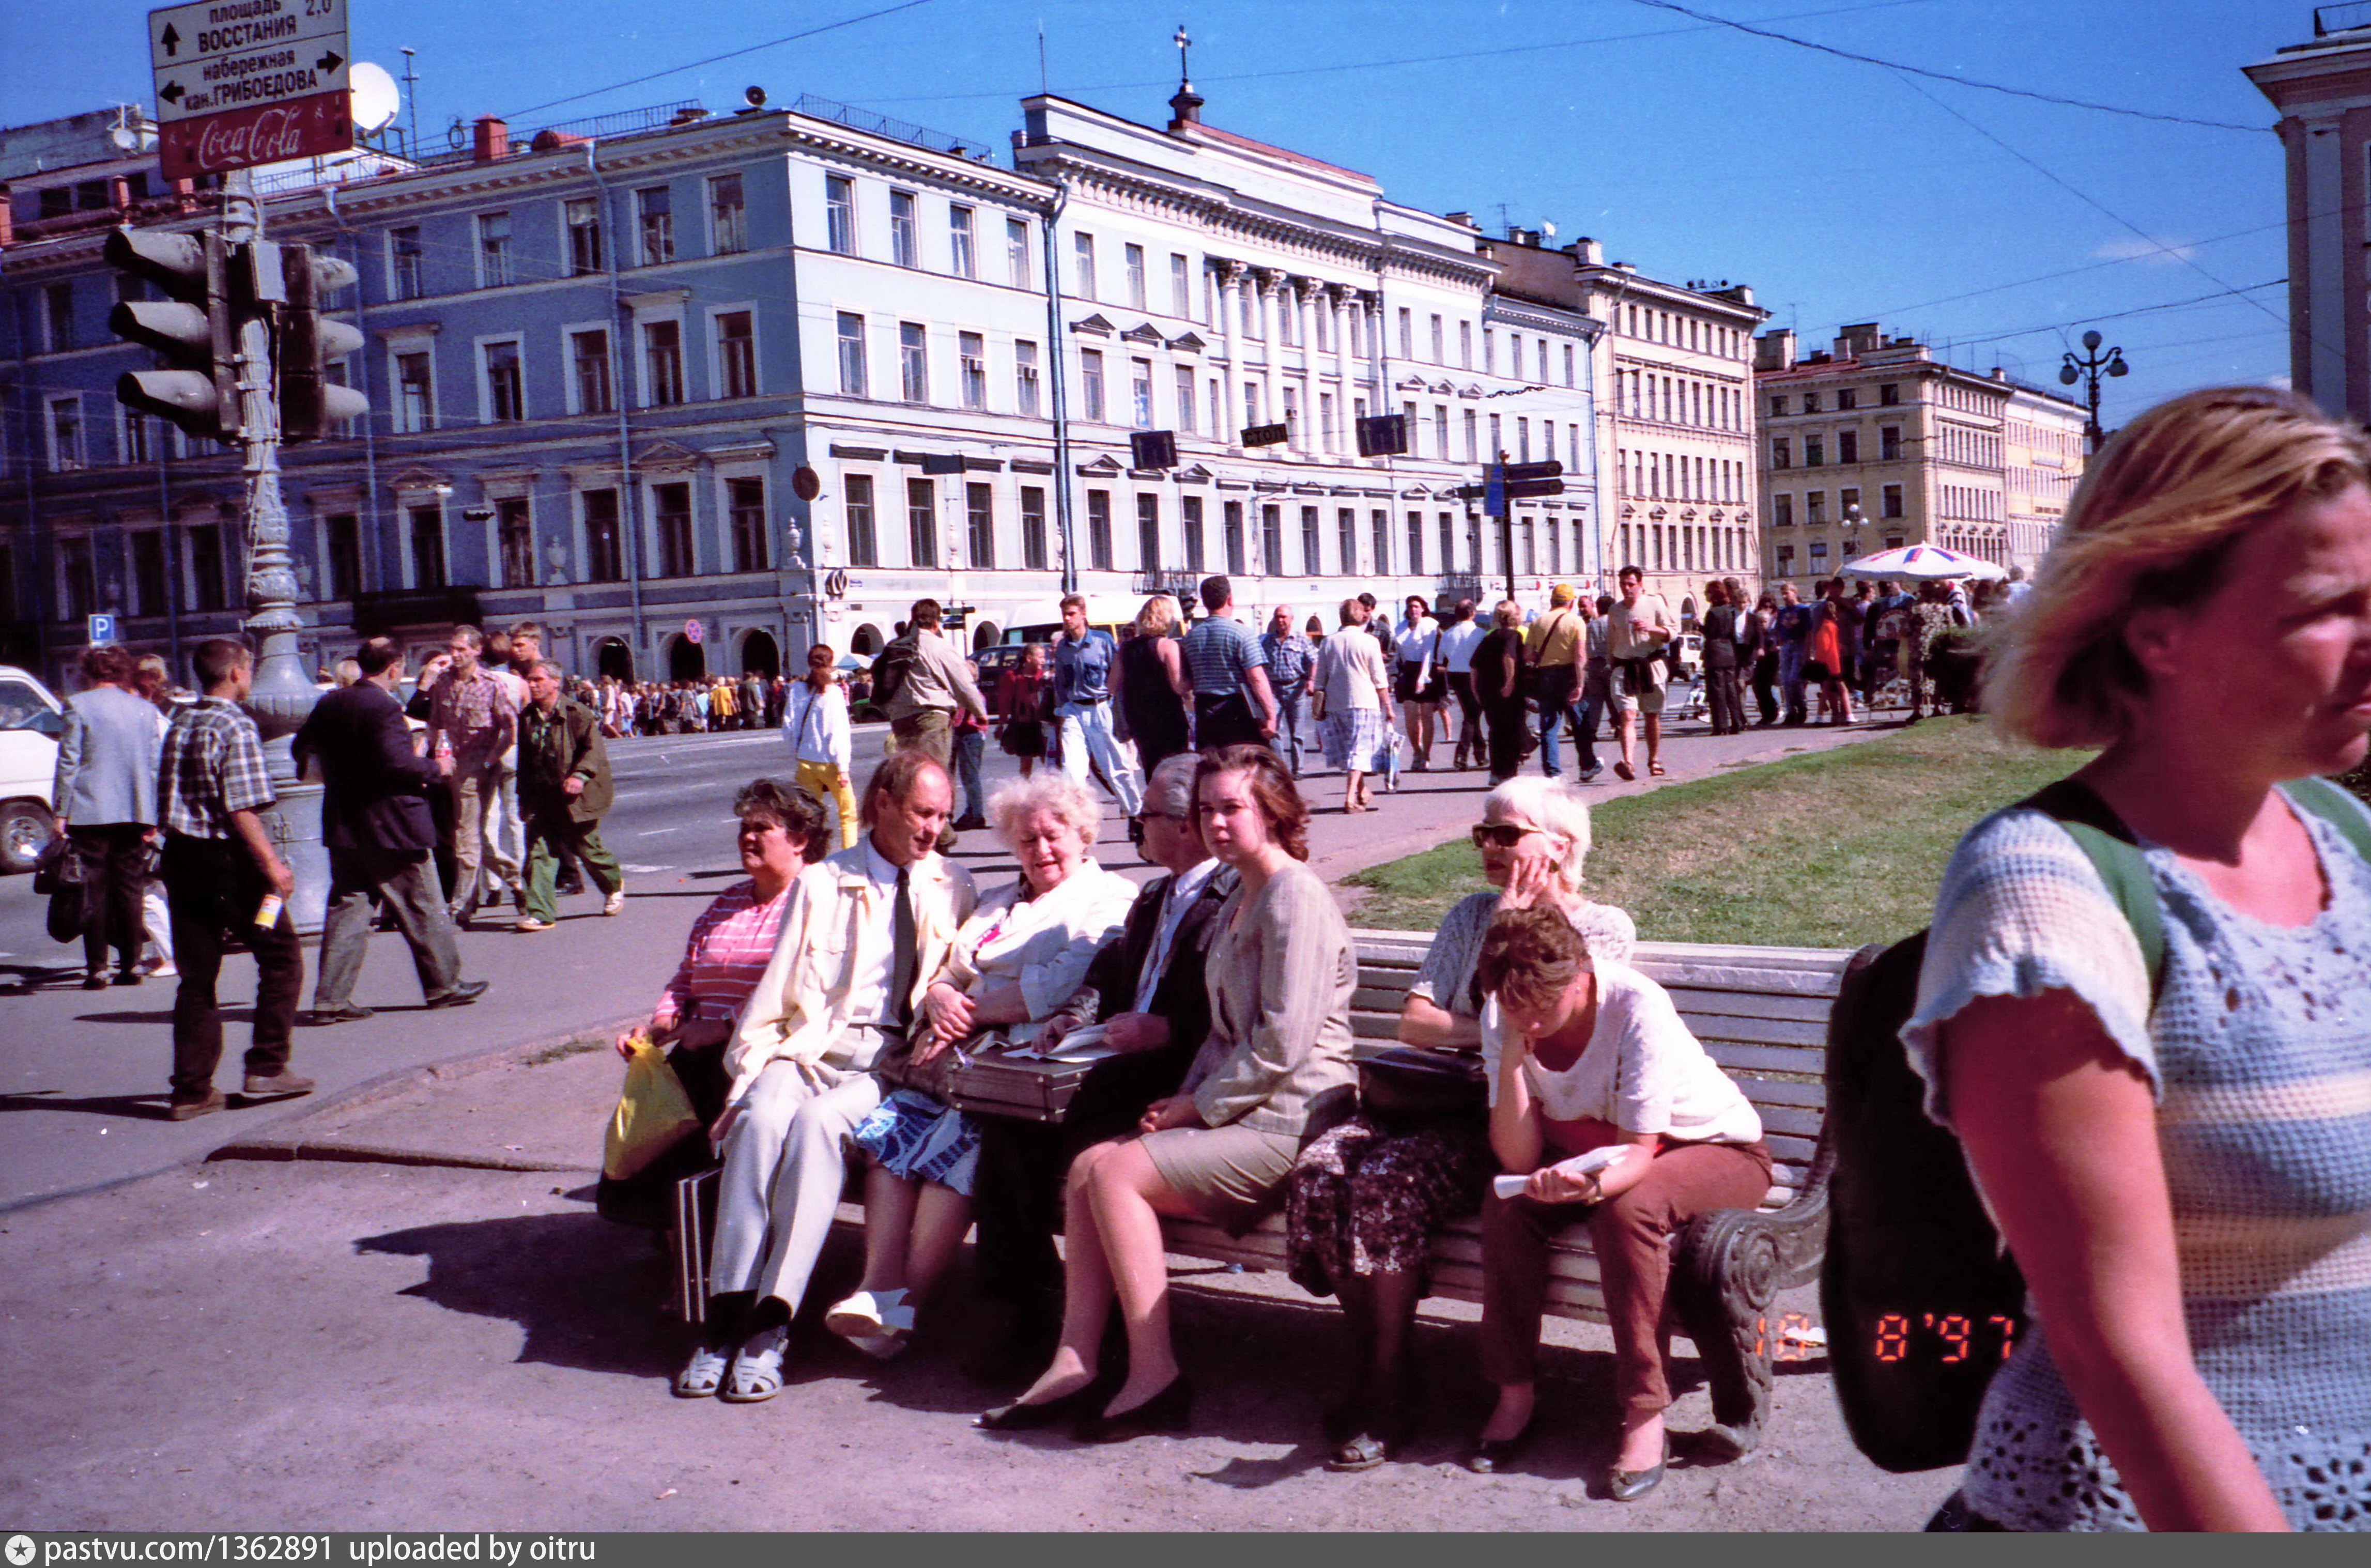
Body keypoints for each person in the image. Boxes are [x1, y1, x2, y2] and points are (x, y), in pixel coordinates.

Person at [1903, 386, 2371, 1532]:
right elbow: (2124, 1354)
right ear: (2155, 628)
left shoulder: (2343, 836)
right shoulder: (2045, 890)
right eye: (2329, 608)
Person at [980, 746, 1356, 1439]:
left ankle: (1156, 1375)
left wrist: (1194, 1106)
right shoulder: (1244, 893)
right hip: (1241, 1104)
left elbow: (1282, 1042)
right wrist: (1185, 1099)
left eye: (1232, 808)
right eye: (1206, 809)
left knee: (1116, 1173)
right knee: (1092, 1163)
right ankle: (1077, 1356)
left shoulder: (1292, 894)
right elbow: (1221, 1033)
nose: (1215, 823)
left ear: (1273, 810)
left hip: (1291, 1115)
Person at [1288, 778, 1634, 1470]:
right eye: (1484, 832)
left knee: (1386, 1180)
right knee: (1324, 1165)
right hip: (1434, 1102)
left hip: (1514, 1124)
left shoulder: (1601, 928)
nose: (1487, 845)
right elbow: (1416, 1022)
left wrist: (1509, 938)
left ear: (1561, 847)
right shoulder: (1468, 913)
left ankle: (1389, 1387)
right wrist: (1493, 1022)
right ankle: (1378, 1359)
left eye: (1507, 833)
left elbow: (1552, 1032)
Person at [683, 753, 975, 1403]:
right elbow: (773, 1000)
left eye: (943, 816)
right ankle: (724, 1316)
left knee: (816, 1127)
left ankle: (770, 1325)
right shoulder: (822, 882)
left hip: (891, 1061)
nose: (934, 829)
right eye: (923, 813)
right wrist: (746, 1081)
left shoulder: (954, 884)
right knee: (759, 1118)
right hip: (809, 1043)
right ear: (883, 804)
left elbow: (963, 973)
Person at [829, 773, 1136, 1360]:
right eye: (1026, 840)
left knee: (961, 1146)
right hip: (963, 1063)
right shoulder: (1001, 900)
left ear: (1084, 834)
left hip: (1024, 1072)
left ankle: (906, 1306)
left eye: (1053, 836)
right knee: (896, 1135)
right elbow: (947, 970)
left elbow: (1052, 987)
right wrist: (941, 997)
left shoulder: (1109, 899)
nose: (1041, 850)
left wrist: (961, 1013)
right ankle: (877, 1288)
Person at [1470, 906, 1770, 1498]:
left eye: (1541, 1009)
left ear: (1581, 976)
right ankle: (1515, 1389)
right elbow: (1516, 1156)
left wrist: (1589, 1187)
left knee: (1627, 1210)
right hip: (1596, 1153)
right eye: (1514, 1010)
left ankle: (1643, 1413)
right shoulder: (1506, 1008)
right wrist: (1509, 1056)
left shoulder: (1635, 1006)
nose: (1528, 1023)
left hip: (1714, 1148)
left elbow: (1638, 1153)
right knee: (1504, 1202)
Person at [966, 754, 1238, 1375]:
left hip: (1181, 1075)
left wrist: (1168, 1028)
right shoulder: (1156, 896)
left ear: (1184, 824)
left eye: (1143, 816)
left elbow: (1239, 1011)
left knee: (1079, 1155)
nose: (1136, 828)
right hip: (1120, 1060)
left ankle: (1089, 1330)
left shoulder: (1230, 897)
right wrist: (1076, 1014)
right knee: (1009, 1131)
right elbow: (1112, 970)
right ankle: (1035, 1311)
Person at [292, 637, 487, 1023]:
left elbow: (302, 747)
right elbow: (396, 763)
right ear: (395, 667)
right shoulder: (383, 707)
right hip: (393, 825)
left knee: (348, 910)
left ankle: (331, 998)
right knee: (423, 905)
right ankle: (444, 985)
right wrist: (437, 769)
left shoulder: (331, 701)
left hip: (345, 824)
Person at [155, 639, 309, 1121]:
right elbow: (240, 805)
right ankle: (267, 1065)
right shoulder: (235, 723)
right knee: (281, 956)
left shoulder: (182, 720)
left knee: (197, 977)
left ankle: (191, 1089)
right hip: (229, 860)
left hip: (183, 856)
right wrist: (273, 866)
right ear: (239, 673)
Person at [614, 780, 824, 1132]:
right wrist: (663, 1021)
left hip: (761, 1052)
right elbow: (686, 975)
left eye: (762, 828)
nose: (748, 837)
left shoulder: (816, 900)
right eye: (744, 828)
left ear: (800, 840)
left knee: (687, 1142)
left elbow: (796, 985)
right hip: (699, 1046)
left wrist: (723, 1026)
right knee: (641, 1139)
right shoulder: (727, 902)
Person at [53, 644, 162, 989]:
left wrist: (61, 811)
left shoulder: (77, 705)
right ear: (122, 671)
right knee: (131, 889)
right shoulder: (143, 710)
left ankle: (97, 967)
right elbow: (153, 765)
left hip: (90, 809)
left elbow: (69, 761)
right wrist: (153, 814)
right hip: (134, 810)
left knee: (94, 889)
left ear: (89, 671)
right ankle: (131, 964)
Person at [514, 661, 625, 932]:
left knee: (588, 850)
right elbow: (525, 763)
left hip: (574, 797)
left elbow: (594, 750)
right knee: (540, 853)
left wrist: (579, 776)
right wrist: (523, 799)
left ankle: (614, 885)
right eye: (530, 679)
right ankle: (541, 913)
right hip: (543, 797)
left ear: (555, 682)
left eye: (538, 679)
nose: (532, 684)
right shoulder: (527, 717)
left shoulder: (578, 713)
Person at [425, 626, 522, 927]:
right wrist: (423, 759)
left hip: (480, 767)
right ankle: (518, 882)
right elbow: (434, 725)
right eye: (453, 649)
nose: (455, 655)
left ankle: (461, 906)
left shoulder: (492, 684)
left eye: (461, 650)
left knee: (465, 837)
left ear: (477, 651)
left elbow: (510, 728)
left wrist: (491, 759)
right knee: (474, 836)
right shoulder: (443, 683)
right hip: (454, 768)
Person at [1049, 594, 1145, 824]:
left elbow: (1118, 675)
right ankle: (1076, 821)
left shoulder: (1102, 642)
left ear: (1083, 615)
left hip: (1100, 707)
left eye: (1071, 613)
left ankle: (1136, 815)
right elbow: (1061, 681)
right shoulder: (1063, 647)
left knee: (1114, 767)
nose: (1067, 618)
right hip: (1074, 709)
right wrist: (1061, 712)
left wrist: (1119, 710)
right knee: (1072, 769)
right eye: (1064, 614)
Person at [1313, 597, 1392, 815]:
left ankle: (1363, 791)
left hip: (1336, 703)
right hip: (1364, 701)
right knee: (1359, 750)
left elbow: (1320, 679)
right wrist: (1389, 707)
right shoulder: (1370, 642)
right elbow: (1380, 679)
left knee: (1349, 750)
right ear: (1361, 617)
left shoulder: (1328, 642)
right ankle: (1349, 799)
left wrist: (1318, 704)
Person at [1182, 576, 1279, 752]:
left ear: (1204, 602)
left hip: (1205, 710)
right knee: (1244, 766)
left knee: (1212, 767)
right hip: (1237, 710)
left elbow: (1188, 678)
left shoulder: (1191, 638)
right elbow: (1257, 678)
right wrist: (1271, 716)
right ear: (1230, 599)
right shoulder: (1242, 634)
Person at [782, 645, 857, 851]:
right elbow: (839, 731)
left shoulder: (796, 689)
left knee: (810, 815)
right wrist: (843, 768)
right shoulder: (833, 693)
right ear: (831, 663)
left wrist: (797, 753)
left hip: (805, 762)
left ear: (809, 662)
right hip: (830, 764)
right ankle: (850, 856)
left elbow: (788, 726)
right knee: (848, 814)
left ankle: (813, 856)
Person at [1606, 566, 1677, 780]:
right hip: (1624, 668)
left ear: (1640, 584)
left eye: (1631, 584)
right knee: (1627, 715)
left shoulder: (1654, 603)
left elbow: (1672, 633)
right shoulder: (1615, 610)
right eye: (1623, 584)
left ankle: (1654, 759)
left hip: (1651, 665)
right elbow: (1611, 641)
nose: (1626, 588)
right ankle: (1628, 763)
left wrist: (1652, 628)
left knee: (1652, 716)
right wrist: (1612, 663)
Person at [1118, 595, 1194, 780]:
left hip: (1138, 717)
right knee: (1174, 768)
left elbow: (1112, 684)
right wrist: (1193, 679)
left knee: (1151, 768)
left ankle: (1154, 805)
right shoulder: (1168, 646)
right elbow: (1178, 687)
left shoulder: (1126, 648)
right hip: (1167, 717)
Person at [1521, 584, 1584, 780]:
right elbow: (1580, 654)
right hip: (1568, 673)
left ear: (1552, 601)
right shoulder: (1576, 622)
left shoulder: (1538, 622)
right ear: (1572, 602)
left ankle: (1552, 772)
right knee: (1578, 721)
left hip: (1546, 675)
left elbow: (1528, 654)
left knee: (1549, 724)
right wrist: (1580, 684)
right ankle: (1587, 765)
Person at [1472, 601, 1529, 786]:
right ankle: (1509, 772)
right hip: (1507, 690)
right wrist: (1510, 682)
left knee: (1496, 731)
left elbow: (1474, 666)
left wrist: (1476, 691)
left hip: (1487, 689)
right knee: (1512, 730)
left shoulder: (1489, 637)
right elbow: (1508, 657)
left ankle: (1496, 772)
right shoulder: (1514, 636)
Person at [1259, 604, 1318, 779]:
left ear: (1291, 619)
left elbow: (1315, 660)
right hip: (1274, 689)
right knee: (1274, 730)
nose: (1281, 620)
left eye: (1284, 617)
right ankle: (1280, 769)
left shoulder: (1302, 640)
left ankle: (1298, 769)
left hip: (1296, 688)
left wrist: (1311, 681)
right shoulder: (1266, 641)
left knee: (1297, 732)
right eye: (1278, 616)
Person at [1393, 595, 1444, 770]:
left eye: (1416, 606)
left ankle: (1426, 755)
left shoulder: (1430, 625)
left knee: (1427, 715)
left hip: (1426, 670)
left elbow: (1428, 654)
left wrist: (1423, 679)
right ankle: (1417, 751)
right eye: (1410, 607)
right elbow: (1399, 655)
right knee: (1410, 715)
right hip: (1408, 671)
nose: (1413, 610)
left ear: (1423, 608)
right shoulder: (1401, 628)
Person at [1437, 600, 1486, 771]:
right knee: (1472, 717)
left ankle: (1480, 754)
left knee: (1471, 714)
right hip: (1474, 675)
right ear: (1473, 612)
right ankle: (1461, 754)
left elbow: (1440, 659)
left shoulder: (1448, 634)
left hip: (1455, 675)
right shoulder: (1479, 633)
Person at [994, 642, 1054, 780]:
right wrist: (1001, 725)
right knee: (1026, 762)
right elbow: (1004, 703)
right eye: (1040, 657)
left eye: (1044, 657)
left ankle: (1051, 790)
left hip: (1043, 724)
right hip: (1023, 724)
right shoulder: (1012, 677)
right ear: (1029, 658)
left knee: (1048, 759)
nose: (1043, 661)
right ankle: (1025, 792)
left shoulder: (1044, 676)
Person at [1809, 577, 1858, 726]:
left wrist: (1849, 607)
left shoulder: (1848, 604)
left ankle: (1845, 712)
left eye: (1839, 588)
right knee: (1829, 684)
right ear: (1829, 589)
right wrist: (1815, 651)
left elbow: (1860, 620)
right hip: (1830, 651)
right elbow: (1816, 629)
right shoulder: (1822, 608)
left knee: (1846, 683)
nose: (1836, 591)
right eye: (1833, 588)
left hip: (1847, 649)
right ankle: (1835, 713)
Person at [1699, 581, 1746, 737]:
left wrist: (1699, 627)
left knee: (1717, 690)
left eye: (1708, 592)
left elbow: (1711, 633)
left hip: (1715, 652)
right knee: (1731, 689)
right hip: (1729, 651)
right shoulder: (1729, 611)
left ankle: (1721, 726)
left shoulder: (1713, 612)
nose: (1706, 595)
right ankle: (1737, 722)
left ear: (1714, 594)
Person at [951, 660, 992, 833]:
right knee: (960, 775)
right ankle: (970, 812)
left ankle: (976, 814)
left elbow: (967, 719)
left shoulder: (973, 694)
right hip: (961, 735)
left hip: (971, 736)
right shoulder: (960, 694)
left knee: (970, 776)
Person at [1771, 582, 1813, 726]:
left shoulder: (1803, 610)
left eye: (1787, 593)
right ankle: (1791, 711)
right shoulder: (1782, 611)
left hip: (1799, 645)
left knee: (1795, 678)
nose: (1784, 596)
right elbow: (1778, 629)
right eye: (1783, 593)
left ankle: (1802, 707)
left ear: (1794, 592)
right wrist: (1779, 643)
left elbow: (1809, 631)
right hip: (1786, 646)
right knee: (1785, 681)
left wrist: (1808, 650)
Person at [1748, 591, 1781, 727]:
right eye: (1764, 606)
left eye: (1770, 606)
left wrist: (1778, 646)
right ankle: (1765, 714)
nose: (1767, 609)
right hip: (1760, 657)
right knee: (1758, 686)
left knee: (1768, 686)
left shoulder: (1776, 621)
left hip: (1773, 657)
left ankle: (1772, 712)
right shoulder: (1757, 620)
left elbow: (1780, 638)